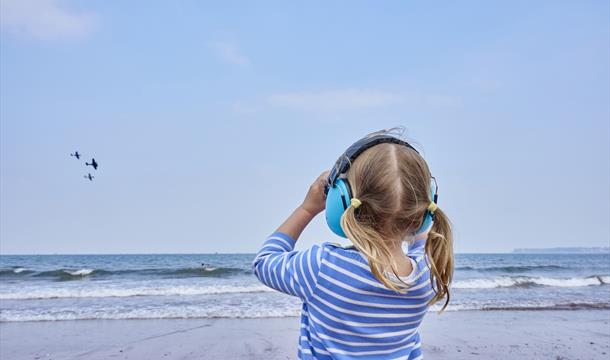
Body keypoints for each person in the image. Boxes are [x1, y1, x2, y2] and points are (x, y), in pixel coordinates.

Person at [253, 129, 454, 359]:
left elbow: (265, 261)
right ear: (425, 208)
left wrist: (307, 209)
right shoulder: (427, 274)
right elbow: (422, 242)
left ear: (344, 201)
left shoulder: (322, 266)